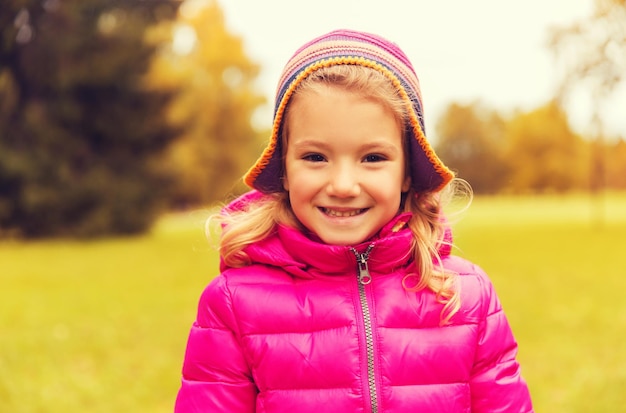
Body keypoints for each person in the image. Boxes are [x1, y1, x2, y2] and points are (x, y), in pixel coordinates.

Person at [174, 29, 533, 412]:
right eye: (315, 157)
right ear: (284, 170)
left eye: (372, 158)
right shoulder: (231, 303)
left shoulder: (467, 297)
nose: (343, 185)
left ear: (407, 172)